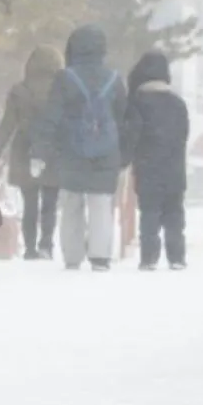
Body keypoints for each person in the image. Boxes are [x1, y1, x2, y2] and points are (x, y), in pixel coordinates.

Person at [33, 25, 127, 271]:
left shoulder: (65, 78)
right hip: (106, 152)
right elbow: (124, 119)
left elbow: (51, 117)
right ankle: (100, 257)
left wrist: (40, 152)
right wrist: (125, 155)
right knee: (101, 203)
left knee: (72, 202)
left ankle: (72, 256)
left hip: (71, 150)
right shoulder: (114, 79)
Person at [0, 46, 63, 260]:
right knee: (50, 201)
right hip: (53, 149)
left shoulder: (19, 90)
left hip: (24, 149)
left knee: (30, 203)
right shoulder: (62, 90)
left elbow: (7, 125)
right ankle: (46, 244)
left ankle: (30, 248)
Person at [122, 47, 190, 271]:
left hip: (147, 167)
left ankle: (149, 257)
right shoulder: (178, 104)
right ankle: (177, 256)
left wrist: (125, 158)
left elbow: (132, 134)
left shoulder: (137, 103)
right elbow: (183, 136)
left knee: (149, 213)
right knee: (174, 214)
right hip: (174, 168)